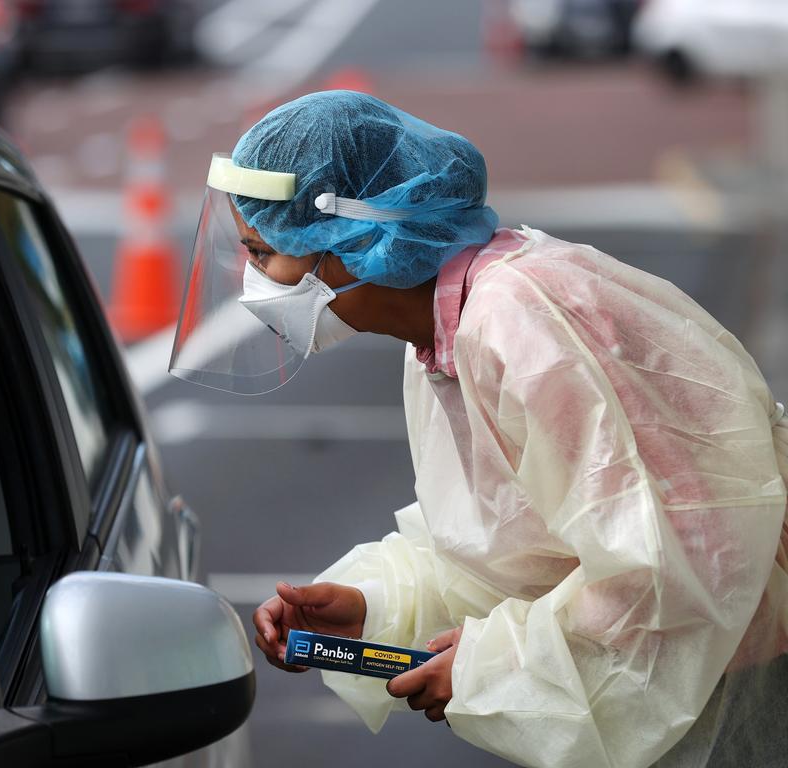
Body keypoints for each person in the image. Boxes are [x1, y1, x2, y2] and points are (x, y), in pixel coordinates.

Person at [168, 90, 788, 768]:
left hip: (730, 687)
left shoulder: (524, 324)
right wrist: (374, 609)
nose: (255, 285)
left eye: (264, 255)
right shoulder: (446, 335)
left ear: (351, 236)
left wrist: (493, 668)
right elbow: (512, 544)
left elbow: (674, 563)